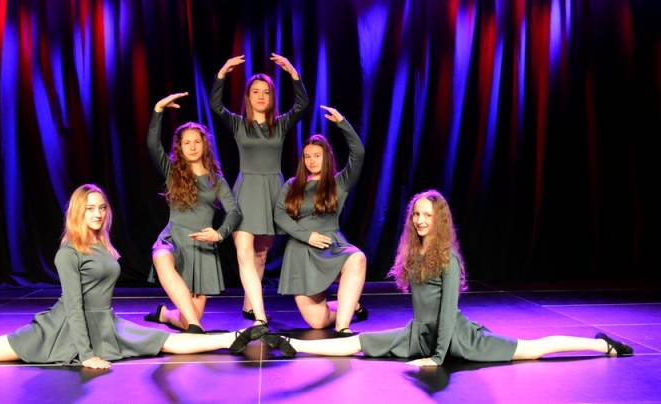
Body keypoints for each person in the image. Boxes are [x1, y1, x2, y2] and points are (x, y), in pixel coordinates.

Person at [0, 184, 263, 368]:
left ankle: (233, 337)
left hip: (105, 324)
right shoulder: (68, 251)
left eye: (102, 207)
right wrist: (87, 353)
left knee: (166, 342)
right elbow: (74, 305)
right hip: (59, 329)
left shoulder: (104, 246)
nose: (98, 213)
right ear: (78, 212)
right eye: (90, 208)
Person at [262, 190, 634, 365]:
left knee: (532, 350)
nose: (420, 220)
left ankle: (603, 346)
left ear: (439, 220)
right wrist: (423, 345)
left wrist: (437, 358)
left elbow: (447, 312)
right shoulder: (413, 253)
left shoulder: (448, 258)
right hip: (419, 333)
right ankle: (291, 344)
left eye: (427, 215)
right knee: (359, 342)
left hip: (457, 337)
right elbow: (424, 313)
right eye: (416, 214)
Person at [143, 93, 264, 338]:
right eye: (186, 142)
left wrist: (219, 234)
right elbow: (152, 144)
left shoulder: (216, 180)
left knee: (190, 319)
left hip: (201, 250)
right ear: (180, 147)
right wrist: (158, 109)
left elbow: (235, 212)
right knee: (161, 258)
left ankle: (165, 314)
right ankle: (193, 327)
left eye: (196, 141)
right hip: (173, 239)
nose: (192, 146)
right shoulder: (172, 172)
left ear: (204, 144)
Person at [210, 53, 309, 327]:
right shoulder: (238, 124)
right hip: (246, 191)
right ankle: (260, 314)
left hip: (272, 191)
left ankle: (249, 304)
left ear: (272, 97)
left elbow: (303, 104)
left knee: (261, 255)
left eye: (266, 92)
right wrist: (222, 72)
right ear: (248, 96)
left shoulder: (281, 125)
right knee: (244, 252)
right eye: (255, 91)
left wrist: (293, 74)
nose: (261, 96)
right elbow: (215, 105)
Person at [273, 106, 368, 336]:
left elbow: (358, 154)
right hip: (301, 250)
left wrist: (342, 123)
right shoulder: (292, 184)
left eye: (317, 155)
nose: (312, 160)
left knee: (357, 258)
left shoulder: (339, 183)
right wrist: (307, 236)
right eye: (307, 156)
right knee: (317, 322)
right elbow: (279, 215)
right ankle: (350, 304)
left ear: (326, 157)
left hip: (330, 245)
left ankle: (343, 326)